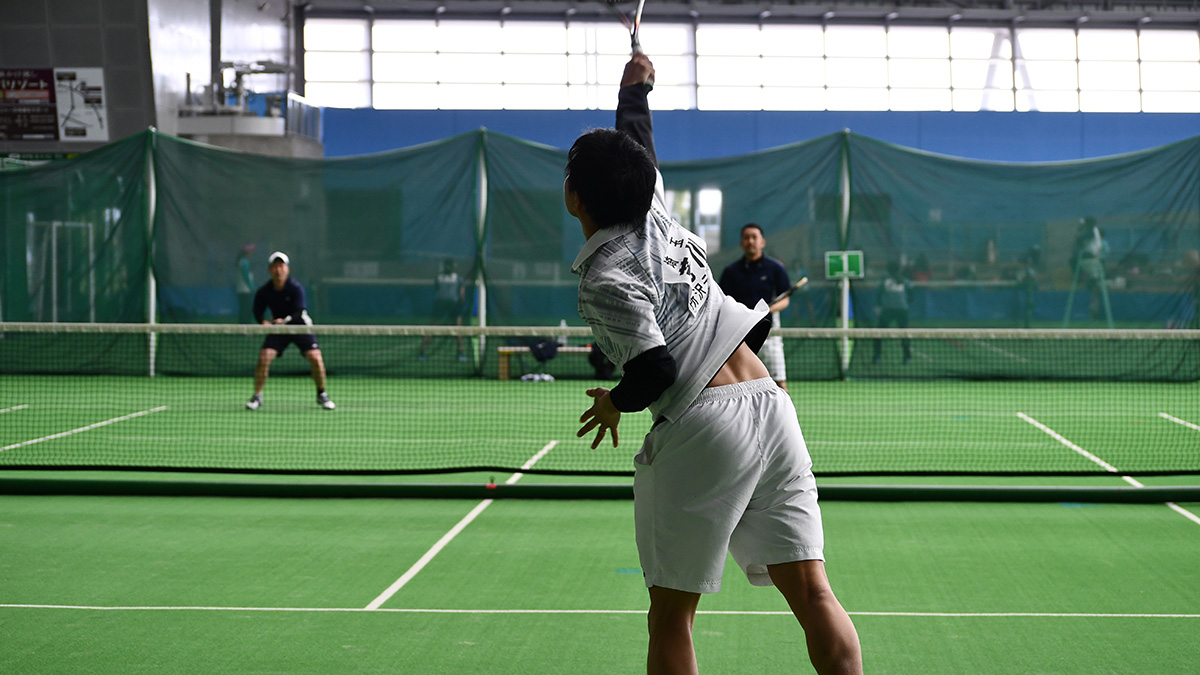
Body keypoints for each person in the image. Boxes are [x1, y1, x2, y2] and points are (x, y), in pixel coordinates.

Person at [568, 53, 862, 675]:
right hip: (768, 401)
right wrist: (635, 90)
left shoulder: (603, 275)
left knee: (670, 615)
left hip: (705, 422)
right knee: (813, 593)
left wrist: (612, 402)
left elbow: (655, 372)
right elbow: (637, 146)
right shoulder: (656, 215)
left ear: (573, 197)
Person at [245, 251, 335, 410]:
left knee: (316, 358)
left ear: (287, 269)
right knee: (264, 357)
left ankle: (322, 393)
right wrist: (263, 322)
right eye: (275, 266)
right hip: (279, 330)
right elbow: (257, 310)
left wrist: (284, 321)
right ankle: (257, 396)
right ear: (270, 270)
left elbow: (299, 311)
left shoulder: (296, 288)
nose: (278, 270)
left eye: (281, 266)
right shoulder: (264, 291)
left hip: (300, 327)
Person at [718, 224, 792, 391]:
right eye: (746, 238)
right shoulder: (731, 271)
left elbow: (785, 299)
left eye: (754, 237)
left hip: (770, 332)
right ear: (741, 243)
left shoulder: (775, 268)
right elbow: (723, 300)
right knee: (737, 381)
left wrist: (769, 309)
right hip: (739, 333)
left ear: (762, 242)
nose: (750, 241)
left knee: (780, 383)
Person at [418, 258, 468, 362]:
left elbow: (437, 289)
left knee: (456, 329)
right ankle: (460, 353)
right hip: (444, 304)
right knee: (454, 329)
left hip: (446, 304)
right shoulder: (454, 278)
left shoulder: (443, 278)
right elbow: (462, 295)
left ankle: (422, 353)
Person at [872, 260, 912, 364]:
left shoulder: (888, 281)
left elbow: (879, 295)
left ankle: (877, 357)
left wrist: (879, 306)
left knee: (879, 334)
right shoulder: (904, 281)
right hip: (897, 310)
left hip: (891, 310)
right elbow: (912, 295)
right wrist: (905, 303)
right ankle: (907, 357)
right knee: (903, 333)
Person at [235, 243, 255, 323]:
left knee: (244, 309)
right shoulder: (244, 262)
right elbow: (245, 276)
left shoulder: (243, 261)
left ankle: (244, 329)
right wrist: (252, 287)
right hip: (245, 290)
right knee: (246, 310)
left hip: (243, 290)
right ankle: (245, 329)